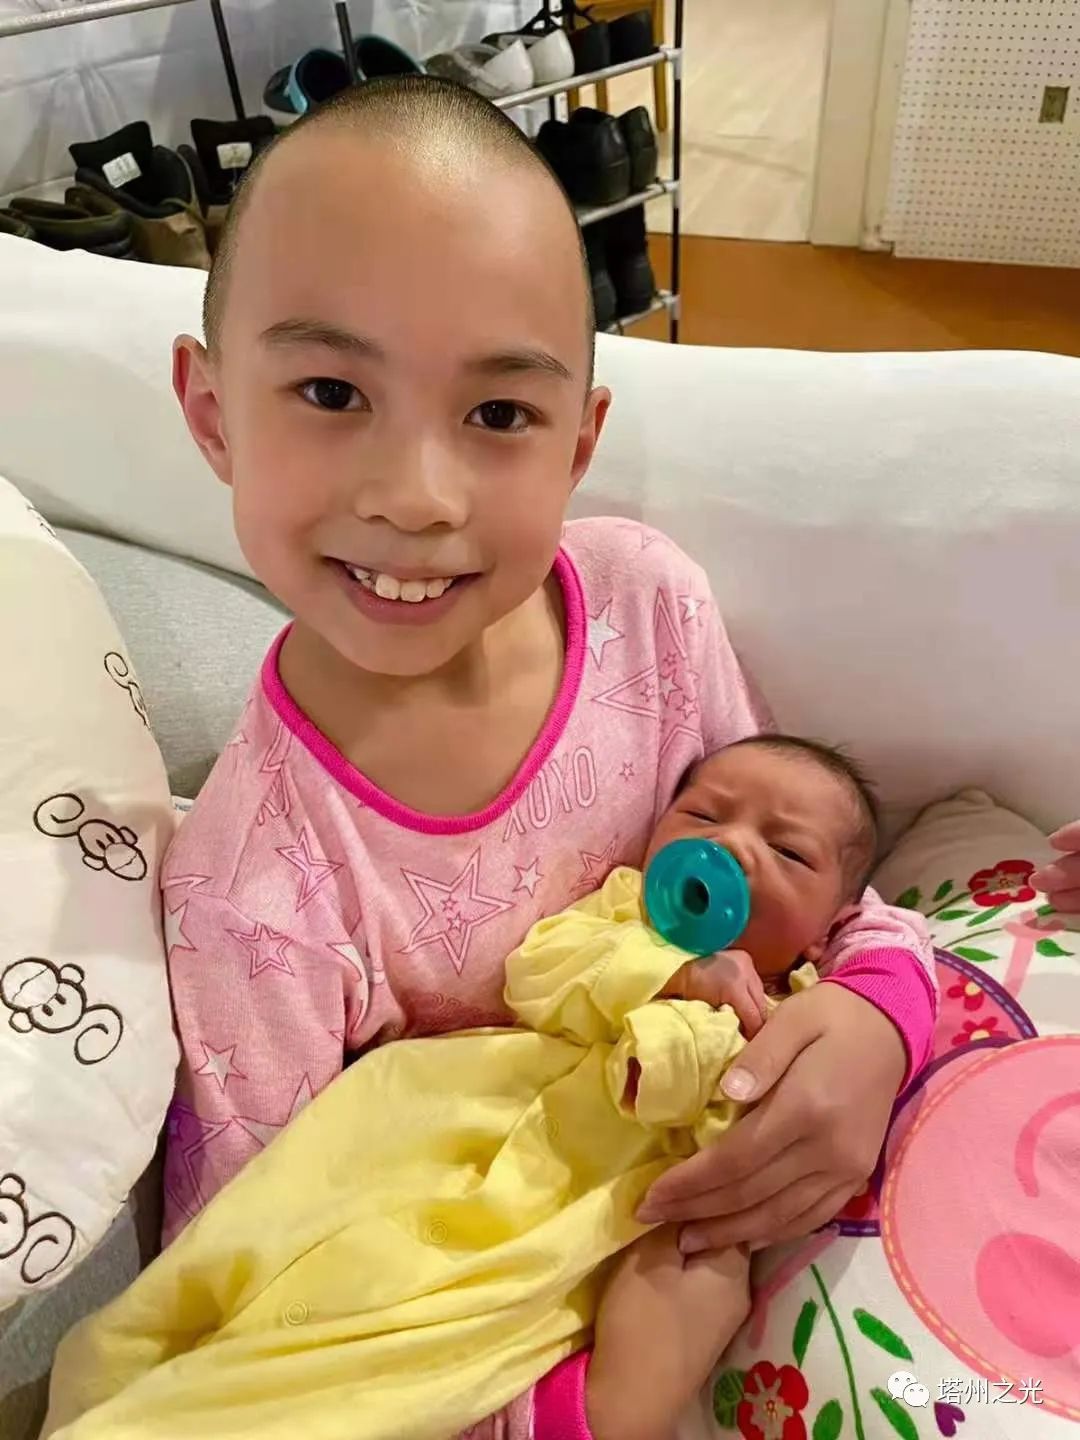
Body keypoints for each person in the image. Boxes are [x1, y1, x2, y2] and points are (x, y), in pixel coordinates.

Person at [155, 75, 940, 1439]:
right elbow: (276, 1328)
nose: (418, 496)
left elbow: (806, 866)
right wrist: (596, 1405)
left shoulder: (646, 606)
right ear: (213, 411)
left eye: (500, 415)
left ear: (581, 440)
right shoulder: (248, 897)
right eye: (332, 391)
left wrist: (879, 1023)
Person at [48, 736, 883, 1440]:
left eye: (787, 851)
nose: (731, 846)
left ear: (831, 924)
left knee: (696, 1272)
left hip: (575, 1219)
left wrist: (732, 1040)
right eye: (702, 816)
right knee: (279, 1268)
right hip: (457, 1130)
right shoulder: (623, 914)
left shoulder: (806, 1014)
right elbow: (540, 974)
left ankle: (578, 1416)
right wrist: (676, 976)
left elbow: (753, 1130)